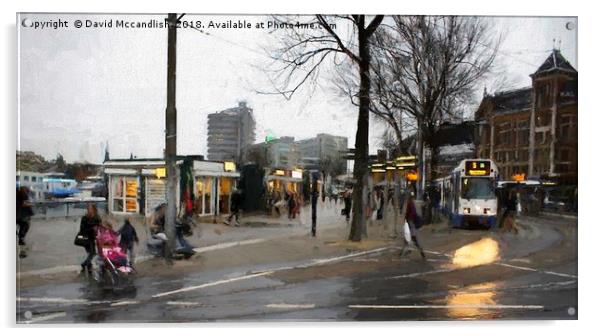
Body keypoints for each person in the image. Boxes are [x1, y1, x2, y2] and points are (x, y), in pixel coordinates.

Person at [400, 193, 426, 260]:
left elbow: (411, 213)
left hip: (410, 222)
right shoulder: (412, 204)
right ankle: (404, 251)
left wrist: (408, 219)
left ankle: (420, 252)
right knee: (408, 237)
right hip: (410, 222)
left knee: (413, 238)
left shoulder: (411, 204)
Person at [78, 203, 101, 275]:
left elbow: (100, 228)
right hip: (86, 238)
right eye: (88, 209)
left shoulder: (97, 218)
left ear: (94, 209)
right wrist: (92, 229)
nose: (89, 210)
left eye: (91, 209)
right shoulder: (84, 218)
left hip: (94, 238)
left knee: (91, 253)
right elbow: (82, 230)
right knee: (92, 253)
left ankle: (88, 267)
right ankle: (84, 264)